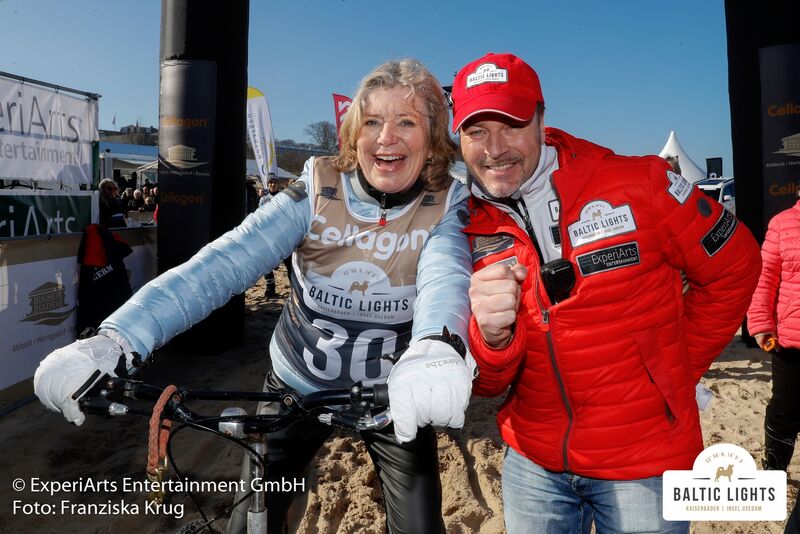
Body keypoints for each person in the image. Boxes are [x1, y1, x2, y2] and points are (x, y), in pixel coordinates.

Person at [35, 58, 474, 534]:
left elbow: (446, 276)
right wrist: (115, 340)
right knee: (251, 523)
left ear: (433, 143)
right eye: (372, 121)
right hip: (296, 385)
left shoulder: (447, 201)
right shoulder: (318, 188)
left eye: (406, 122)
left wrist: (437, 343)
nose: (386, 137)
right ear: (352, 134)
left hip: (389, 398)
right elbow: (221, 265)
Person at [451, 52, 761, 534]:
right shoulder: (466, 228)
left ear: (541, 120)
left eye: (510, 124)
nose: (495, 148)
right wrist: (492, 340)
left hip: (645, 459)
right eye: (476, 131)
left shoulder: (643, 182)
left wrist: (673, 368)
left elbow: (736, 267)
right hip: (532, 460)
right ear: (459, 138)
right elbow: (488, 385)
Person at [747, 193, 800, 474]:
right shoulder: (782, 223)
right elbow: (764, 277)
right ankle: (775, 468)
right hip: (791, 341)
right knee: (785, 410)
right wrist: (760, 324)